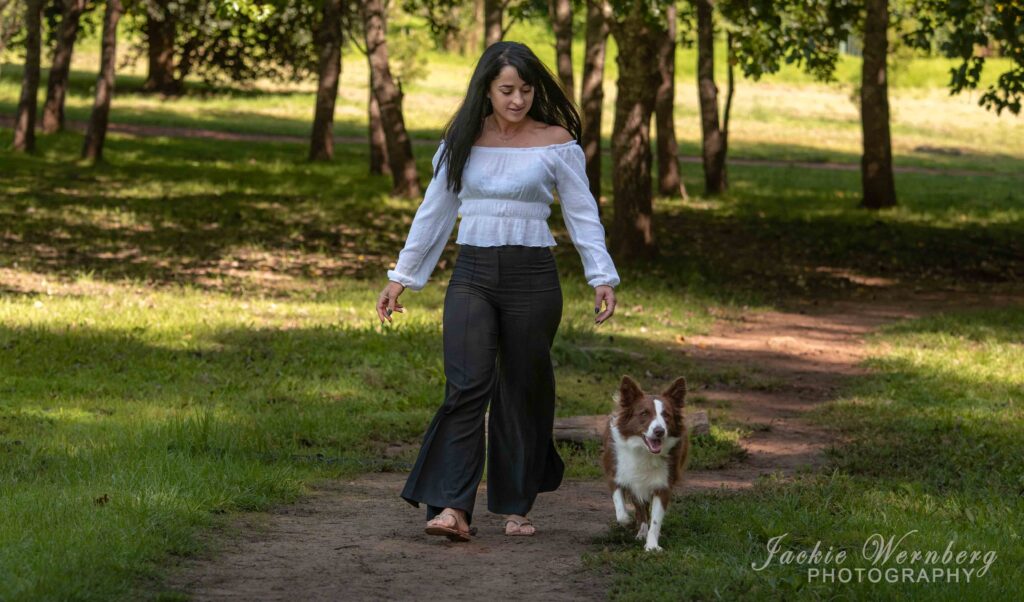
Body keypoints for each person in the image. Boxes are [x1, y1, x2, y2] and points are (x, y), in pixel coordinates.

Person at [375, 41, 619, 541]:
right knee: (466, 386)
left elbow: (582, 213)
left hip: (534, 276)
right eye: (506, 90)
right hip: (473, 274)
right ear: (486, 88)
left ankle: (515, 505)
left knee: (521, 389)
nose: (517, 100)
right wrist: (402, 276)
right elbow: (434, 212)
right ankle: (450, 508)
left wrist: (601, 276)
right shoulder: (461, 140)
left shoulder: (556, 142)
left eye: (526, 90)